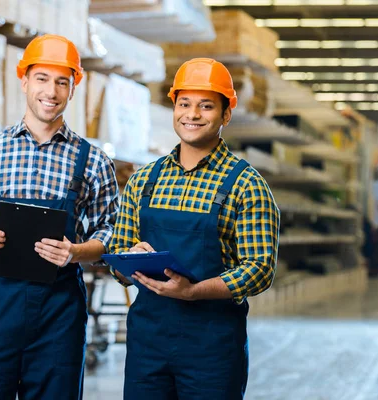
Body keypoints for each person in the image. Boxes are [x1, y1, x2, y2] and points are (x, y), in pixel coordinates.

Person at [0, 34, 119, 399]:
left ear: (73, 89)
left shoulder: (94, 161)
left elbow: (111, 231)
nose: (51, 91)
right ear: (24, 80)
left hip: (58, 315)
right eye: (42, 78)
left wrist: (77, 251)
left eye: (62, 82)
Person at [109, 58, 280, 400]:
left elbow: (259, 269)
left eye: (206, 106)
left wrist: (193, 291)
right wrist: (130, 261)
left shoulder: (246, 185)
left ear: (225, 115)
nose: (192, 114)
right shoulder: (145, 180)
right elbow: (119, 254)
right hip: (148, 342)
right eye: (184, 103)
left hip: (211, 347)